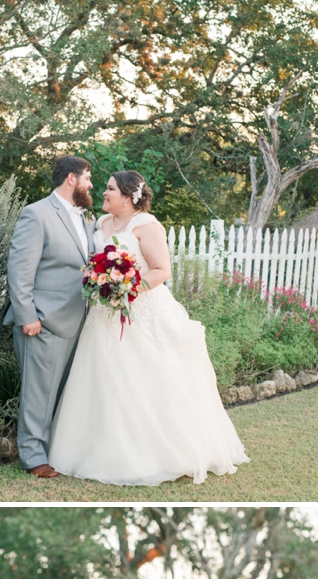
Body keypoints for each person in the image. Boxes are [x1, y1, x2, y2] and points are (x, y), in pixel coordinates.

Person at [49, 170, 249, 485]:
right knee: (103, 380)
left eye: (110, 189)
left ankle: (163, 454)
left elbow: (161, 270)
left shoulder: (147, 226)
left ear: (128, 198)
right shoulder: (100, 225)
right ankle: (100, 450)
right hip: (103, 315)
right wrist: (105, 286)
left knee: (146, 379)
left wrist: (126, 289)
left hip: (140, 311)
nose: (104, 193)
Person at [5, 155, 96, 477]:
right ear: (71, 178)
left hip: (77, 319)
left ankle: (54, 449)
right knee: (38, 393)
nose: (91, 184)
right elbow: (19, 270)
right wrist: (27, 315)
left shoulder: (86, 218)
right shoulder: (36, 214)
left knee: (61, 393)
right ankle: (32, 457)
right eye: (88, 177)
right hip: (42, 321)